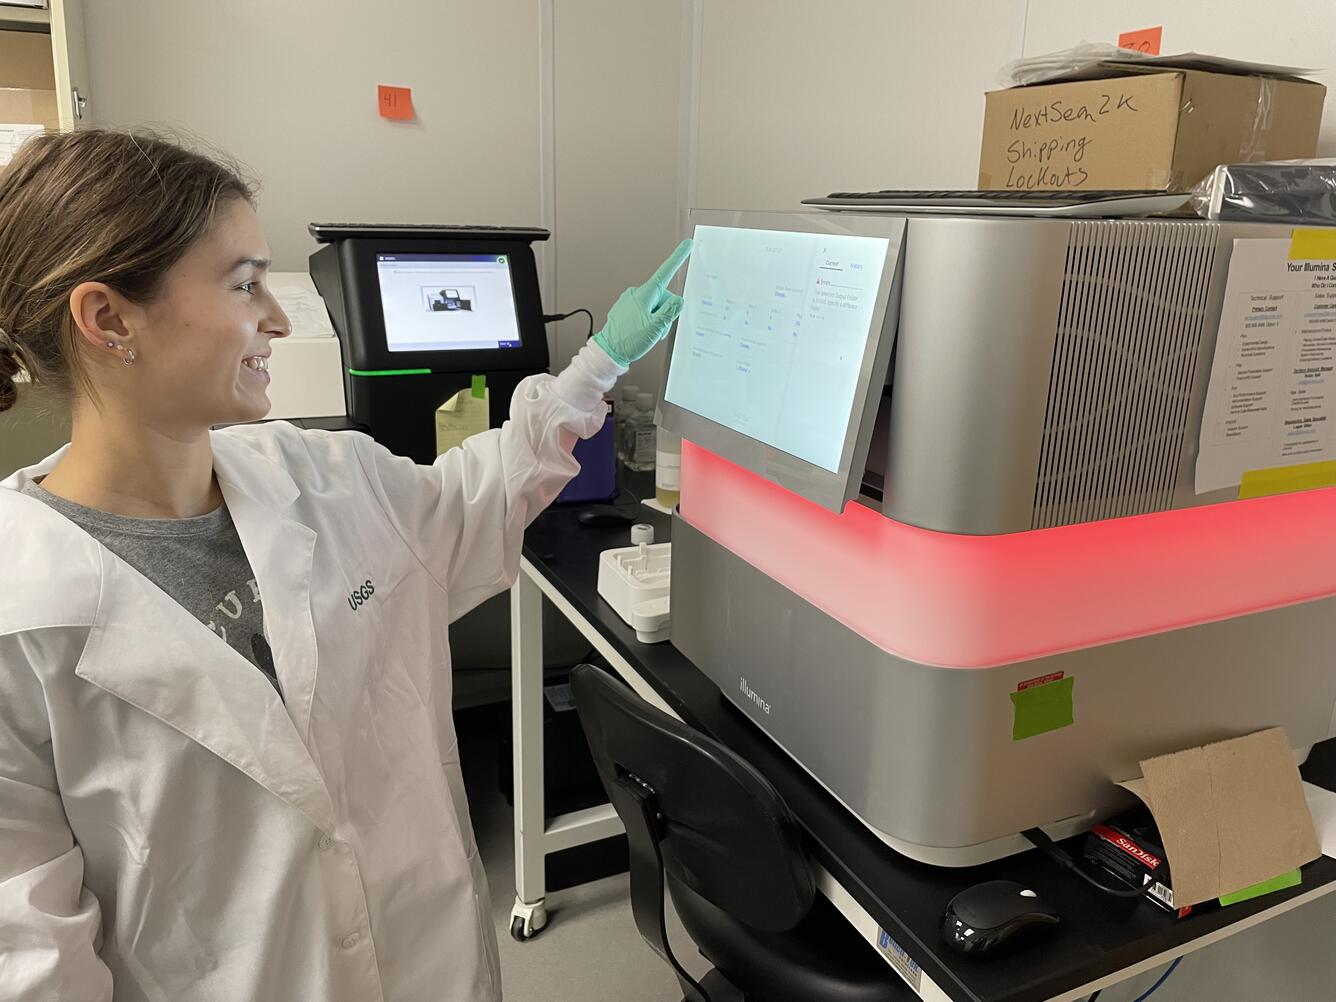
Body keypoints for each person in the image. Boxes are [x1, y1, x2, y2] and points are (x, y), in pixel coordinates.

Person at [0, 129, 690, 1002]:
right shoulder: (19, 623)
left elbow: (471, 501)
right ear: (108, 319)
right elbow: (32, 962)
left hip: (432, 968)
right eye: (245, 284)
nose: (280, 319)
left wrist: (599, 364)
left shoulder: (316, 474)